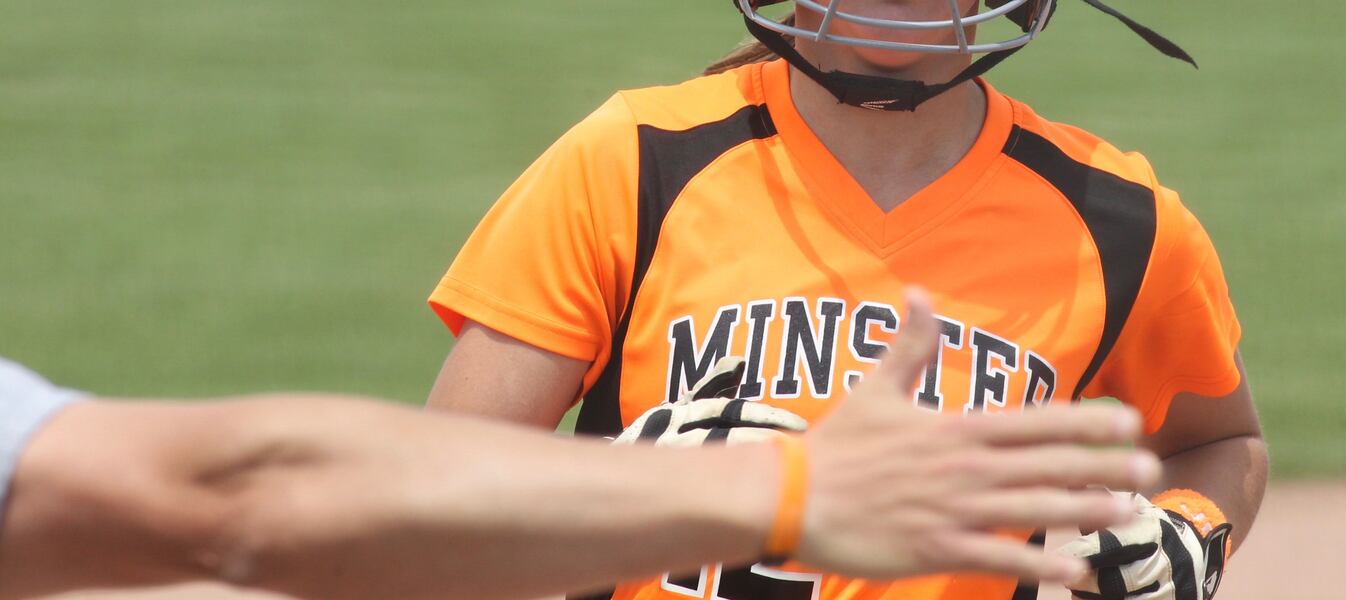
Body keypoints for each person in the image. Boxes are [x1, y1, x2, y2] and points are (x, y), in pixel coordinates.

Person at [425, 0, 1268, 600]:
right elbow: (423, 506)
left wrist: (1191, 533)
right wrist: (621, 493)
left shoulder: (1117, 221)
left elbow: (1221, 440)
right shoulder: (633, 165)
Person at [0, 291, 1160, 599]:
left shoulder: (1119, 212)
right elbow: (250, 504)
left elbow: (256, 503)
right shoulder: (637, 157)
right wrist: (779, 485)